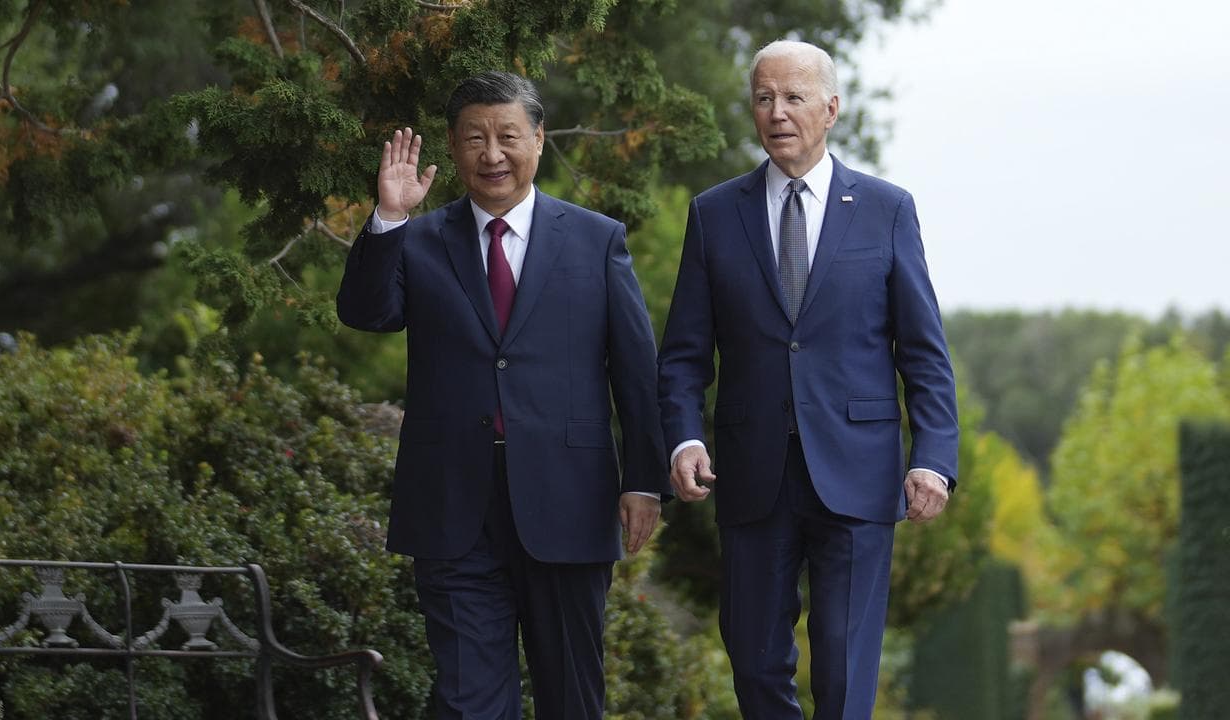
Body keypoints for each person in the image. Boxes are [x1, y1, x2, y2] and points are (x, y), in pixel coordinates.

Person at [336, 71, 667, 720]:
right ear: (453, 150)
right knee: (468, 703)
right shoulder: (420, 239)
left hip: (570, 500)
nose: (492, 154)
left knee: (572, 698)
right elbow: (367, 312)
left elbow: (635, 372)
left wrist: (644, 480)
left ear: (538, 140)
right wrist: (389, 218)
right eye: (474, 139)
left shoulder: (598, 241)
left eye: (508, 136)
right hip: (453, 506)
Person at [657, 40, 959, 719]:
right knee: (755, 659)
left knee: (845, 664)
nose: (777, 112)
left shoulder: (886, 208)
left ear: (831, 108)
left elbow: (923, 349)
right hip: (752, 468)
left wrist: (934, 459)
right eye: (764, 98)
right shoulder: (714, 213)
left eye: (793, 97)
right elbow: (682, 354)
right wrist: (682, 440)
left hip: (859, 469)